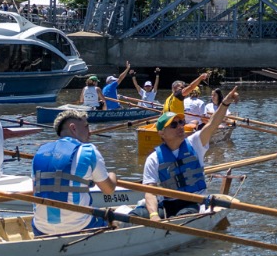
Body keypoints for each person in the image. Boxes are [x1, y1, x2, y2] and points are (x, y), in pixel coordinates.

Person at [141, 88, 239, 218]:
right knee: (138, 214)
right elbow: (150, 192)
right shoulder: (153, 159)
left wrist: (225, 103)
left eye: (181, 122)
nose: (180, 126)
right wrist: (153, 215)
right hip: (168, 203)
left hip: (194, 201)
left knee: (183, 216)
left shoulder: (194, 143)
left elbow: (212, 124)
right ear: (161, 133)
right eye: (174, 125)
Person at [31, 109, 120, 236]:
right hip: (80, 226)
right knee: (114, 220)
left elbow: (35, 191)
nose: (90, 132)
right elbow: (108, 190)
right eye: (86, 126)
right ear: (73, 128)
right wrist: (113, 175)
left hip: (41, 228)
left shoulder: (39, 153)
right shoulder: (88, 151)